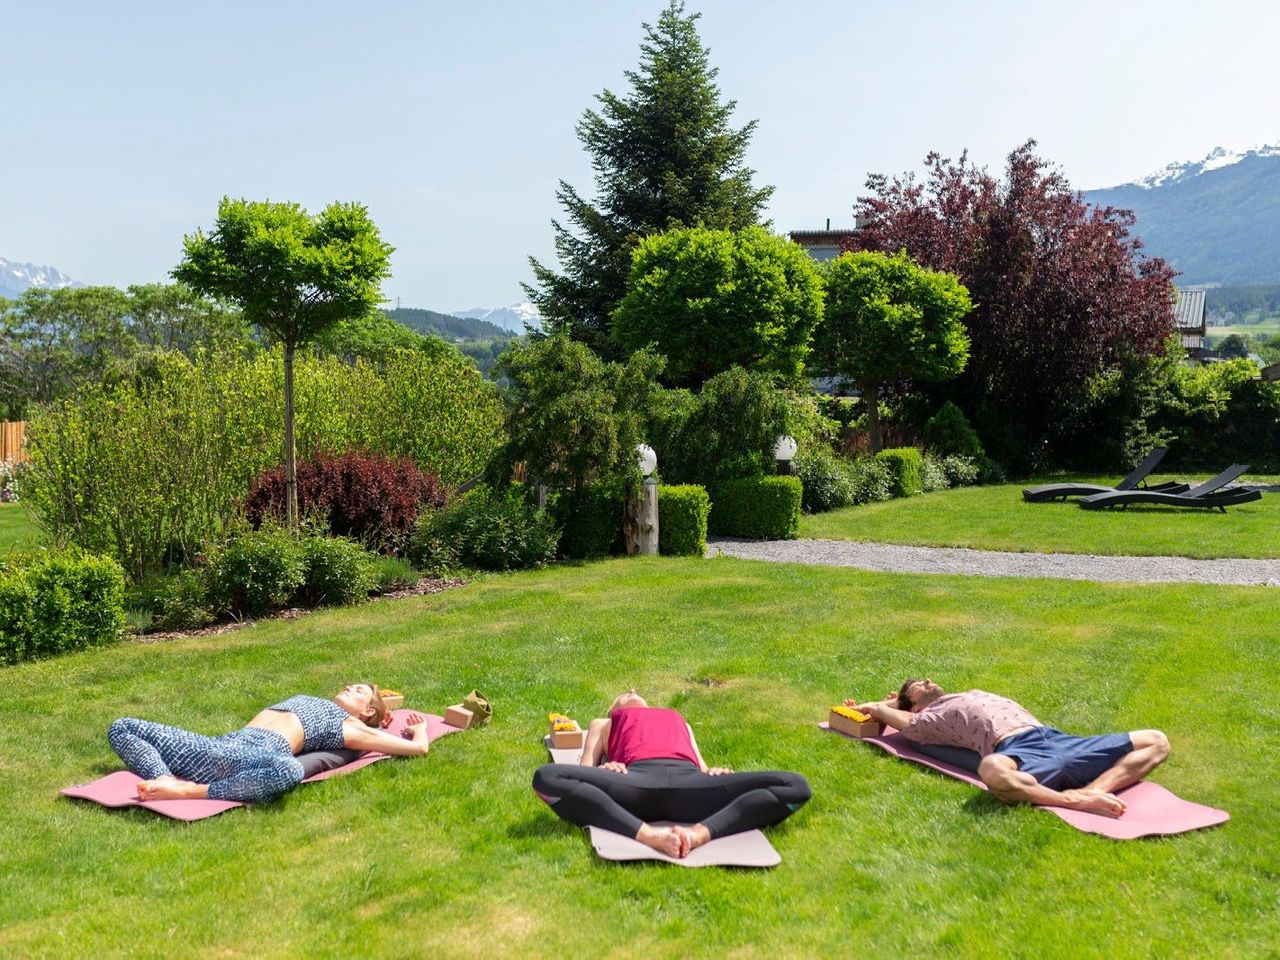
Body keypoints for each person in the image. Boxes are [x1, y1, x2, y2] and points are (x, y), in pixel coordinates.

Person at [532, 690, 810, 858]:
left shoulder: (680, 721)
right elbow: (581, 771)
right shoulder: (604, 722)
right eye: (623, 694)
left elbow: (700, 763)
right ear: (613, 709)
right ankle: (648, 835)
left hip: (692, 783)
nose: (631, 689)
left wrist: (711, 772)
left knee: (795, 785)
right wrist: (607, 767)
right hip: (635, 781)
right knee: (546, 777)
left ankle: (700, 834)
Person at [846, 678, 1170, 818]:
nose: (927, 680)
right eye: (918, 684)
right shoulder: (928, 720)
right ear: (913, 705)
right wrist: (880, 705)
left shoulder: (955, 698)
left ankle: (1096, 790)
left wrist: (893, 701)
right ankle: (1073, 801)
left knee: (1156, 740)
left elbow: (894, 707)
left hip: (1056, 737)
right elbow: (890, 715)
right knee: (991, 771)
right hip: (1019, 749)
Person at [107, 684, 430, 803]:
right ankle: (162, 777)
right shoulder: (323, 703)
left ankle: (188, 791)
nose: (349, 686)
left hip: (253, 757)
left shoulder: (352, 727)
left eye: (359, 690)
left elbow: (419, 750)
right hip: (221, 746)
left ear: (368, 710)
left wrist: (419, 732)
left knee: (289, 770)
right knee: (121, 727)